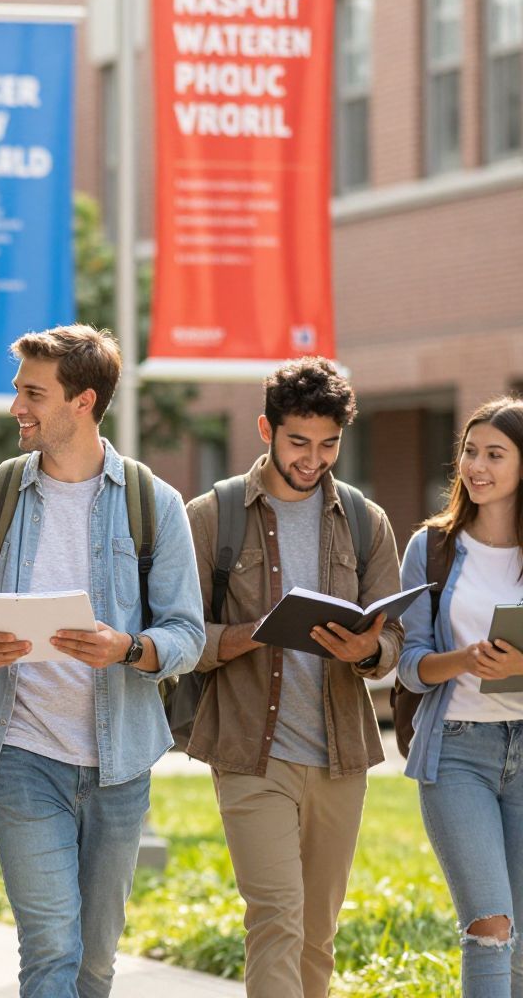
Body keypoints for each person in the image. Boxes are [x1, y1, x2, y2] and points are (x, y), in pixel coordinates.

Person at [0, 324, 204, 997]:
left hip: (120, 765)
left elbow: (187, 634)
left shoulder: (154, 504)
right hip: (22, 755)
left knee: (95, 962)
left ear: (83, 401)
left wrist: (128, 648)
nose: (16, 407)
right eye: (18, 390)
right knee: (52, 946)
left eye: (33, 393)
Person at [184, 357, 403, 998]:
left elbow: (394, 636)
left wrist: (368, 649)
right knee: (276, 918)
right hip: (251, 750)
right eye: (299, 442)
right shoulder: (212, 516)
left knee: (316, 934)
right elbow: (181, 637)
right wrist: (252, 633)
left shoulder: (365, 520)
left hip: (340, 756)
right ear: (267, 430)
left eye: (328, 444)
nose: (313, 459)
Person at [397, 396, 523, 997]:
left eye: (495, 454)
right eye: (470, 451)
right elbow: (410, 666)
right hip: (457, 753)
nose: (476, 466)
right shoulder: (433, 548)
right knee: (490, 927)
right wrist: (465, 660)